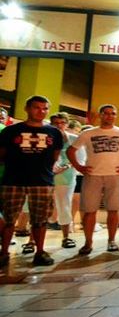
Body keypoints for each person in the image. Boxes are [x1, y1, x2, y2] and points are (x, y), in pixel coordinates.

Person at [0, 96, 64, 268]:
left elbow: (55, 156)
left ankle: (40, 252)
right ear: (27, 108)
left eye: (44, 108)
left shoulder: (54, 132)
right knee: (9, 219)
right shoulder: (11, 131)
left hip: (42, 181)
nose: (40, 111)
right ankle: (4, 252)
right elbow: (2, 154)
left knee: (40, 219)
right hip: (13, 180)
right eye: (36, 107)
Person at [68, 104, 119, 255]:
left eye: (113, 113)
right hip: (93, 175)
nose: (109, 116)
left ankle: (112, 240)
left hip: (115, 175)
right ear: (100, 115)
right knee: (89, 210)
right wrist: (79, 167)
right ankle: (88, 242)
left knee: (114, 209)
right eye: (106, 113)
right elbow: (71, 150)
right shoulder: (89, 133)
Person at [49, 112, 78, 249]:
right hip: (46, 176)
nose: (59, 126)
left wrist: (65, 166)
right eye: (56, 123)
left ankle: (66, 237)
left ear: (67, 124)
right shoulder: (47, 137)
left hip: (66, 177)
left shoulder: (73, 139)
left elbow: (80, 159)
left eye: (62, 123)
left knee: (64, 205)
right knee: (39, 208)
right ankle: (32, 240)